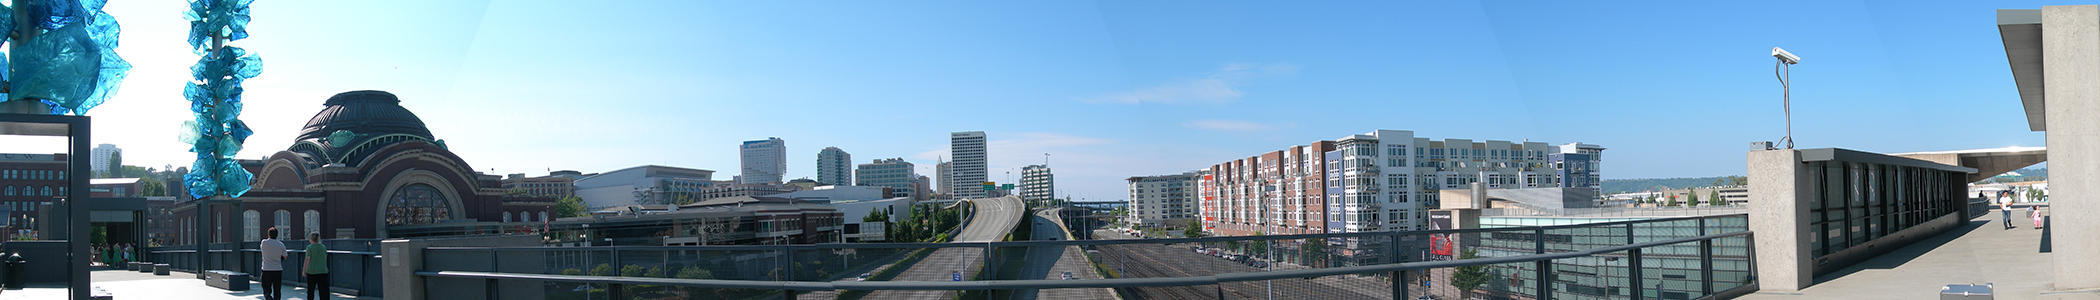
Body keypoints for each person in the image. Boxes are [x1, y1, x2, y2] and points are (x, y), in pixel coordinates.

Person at [259, 227, 287, 300]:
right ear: (277, 235)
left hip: (266, 269)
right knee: (277, 289)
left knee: (266, 287)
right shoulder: (281, 245)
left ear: (269, 235)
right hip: (277, 269)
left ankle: (269, 298)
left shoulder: (264, 243)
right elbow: (285, 256)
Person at [304, 232, 330, 300]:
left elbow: (307, 259)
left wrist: (304, 270)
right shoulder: (323, 247)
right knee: (324, 291)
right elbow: (325, 257)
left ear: (311, 239)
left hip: (311, 271)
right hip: (323, 271)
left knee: (310, 290)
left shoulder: (309, 247)